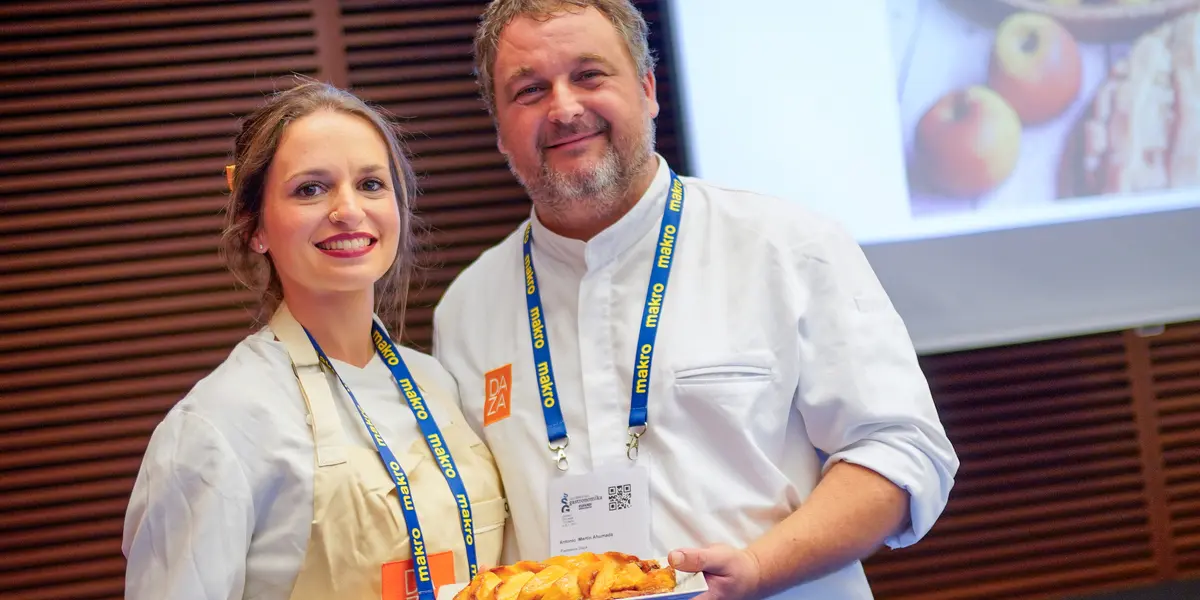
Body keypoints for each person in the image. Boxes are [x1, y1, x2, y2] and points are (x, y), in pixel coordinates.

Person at [430, 1, 959, 599]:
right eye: (529, 90)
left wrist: (759, 568)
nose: (565, 108)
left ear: (648, 88)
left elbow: (901, 452)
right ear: (500, 129)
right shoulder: (466, 310)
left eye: (589, 75)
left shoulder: (786, 247)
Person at [122, 80, 508, 600]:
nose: (348, 209)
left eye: (371, 184)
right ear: (254, 227)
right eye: (310, 188)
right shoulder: (216, 426)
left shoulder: (438, 382)